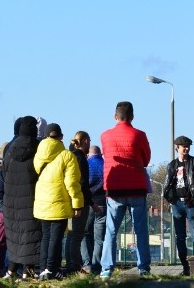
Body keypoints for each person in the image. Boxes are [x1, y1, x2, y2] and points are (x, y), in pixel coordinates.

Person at [99, 101, 152, 278]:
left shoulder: (105, 136)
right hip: (136, 187)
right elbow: (145, 159)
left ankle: (107, 268)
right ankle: (143, 268)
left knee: (111, 231)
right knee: (141, 230)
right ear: (132, 116)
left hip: (114, 189)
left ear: (115, 116)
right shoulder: (140, 135)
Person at [33, 123, 83, 280]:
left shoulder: (39, 155)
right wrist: (77, 204)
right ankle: (52, 269)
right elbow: (72, 183)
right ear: (61, 136)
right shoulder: (67, 156)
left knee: (46, 237)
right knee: (56, 237)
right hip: (59, 202)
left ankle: (43, 270)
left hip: (42, 203)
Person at [163, 135, 194, 276]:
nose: (186, 148)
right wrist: (171, 199)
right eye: (183, 146)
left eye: (188, 146)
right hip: (176, 204)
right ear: (177, 147)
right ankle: (186, 267)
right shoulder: (171, 165)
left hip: (191, 203)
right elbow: (167, 185)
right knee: (180, 237)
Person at [1, 116, 41, 280]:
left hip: (10, 200)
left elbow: (3, 173)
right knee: (30, 235)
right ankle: (27, 271)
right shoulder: (38, 148)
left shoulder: (9, 150)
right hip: (32, 197)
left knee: (14, 236)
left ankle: (10, 271)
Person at [64, 131, 93, 275]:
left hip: (69, 200)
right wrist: (90, 202)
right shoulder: (81, 158)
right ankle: (74, 266)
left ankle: (70, 264)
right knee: (77, 235)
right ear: (85, 141)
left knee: (71, 234)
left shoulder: (71, 156)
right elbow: (83, 183)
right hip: (79, 201)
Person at [82, 145, 106, 274]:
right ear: (100, 154)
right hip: (103, 204)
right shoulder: (105, 164)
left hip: (89, 204)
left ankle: (87, 264)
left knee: (84, 234)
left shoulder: (86, 164)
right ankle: (97, 266)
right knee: (99, 238)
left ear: (89, 154)